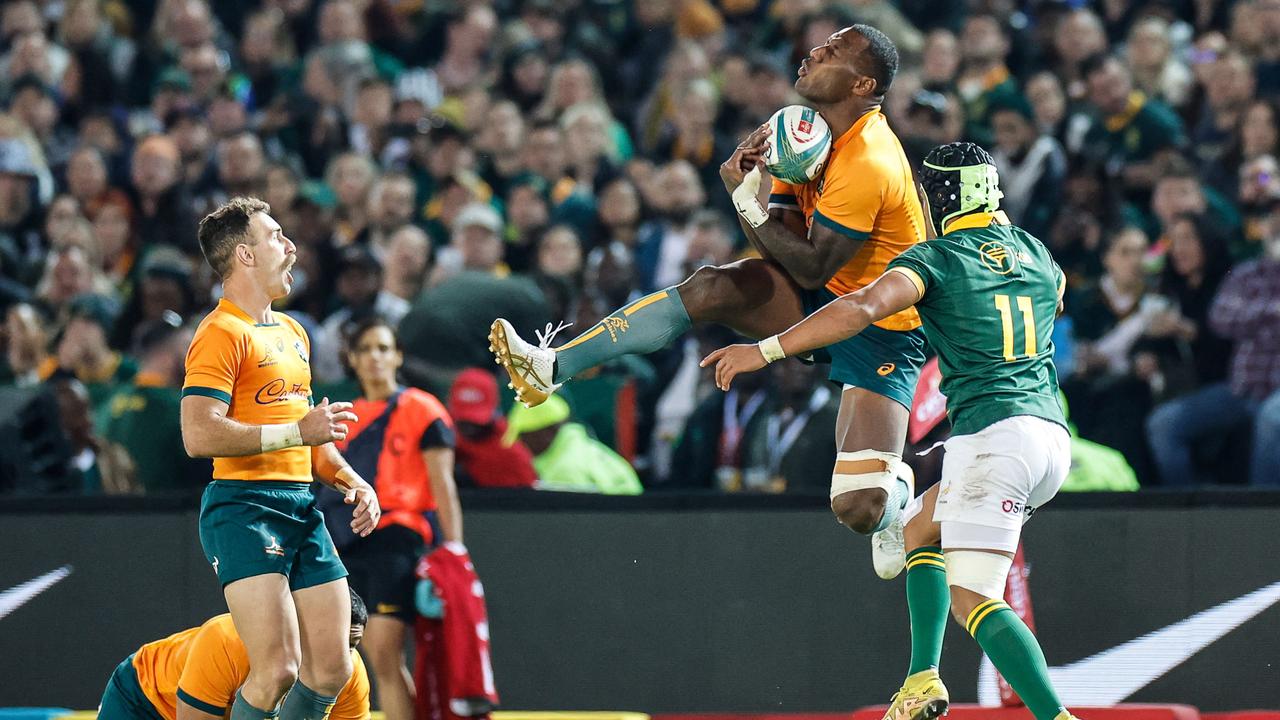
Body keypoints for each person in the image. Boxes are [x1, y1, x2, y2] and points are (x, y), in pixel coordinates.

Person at [491, 23, 926, 576]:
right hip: (823, 292)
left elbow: (812, 261)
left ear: (863, 84)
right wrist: (769, 191)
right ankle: (552, 365)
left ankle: (900, 491)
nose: (815, 51)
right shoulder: (801, 131)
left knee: (858, 509)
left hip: (885, 325)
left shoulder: (871, 159)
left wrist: (746, 202)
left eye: (833, 51)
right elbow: (790, 237)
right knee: (710, 285)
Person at [702, 143, 1081, 720]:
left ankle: (1059, 719)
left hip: (993, 439)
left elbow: (861, 308)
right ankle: (921, 679)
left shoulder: (936, 257)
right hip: (1050, 436)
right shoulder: (1037, 253)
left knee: (974, 597)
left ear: (940, 197)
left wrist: (766, 349)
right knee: (916, 535)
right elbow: (1052, 299)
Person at [180, 197, 381, 720]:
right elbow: (198, 433)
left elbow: (312, 442)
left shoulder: (294, 334)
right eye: (276, 237)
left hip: (300, 506)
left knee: (334, 668)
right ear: (245, 255)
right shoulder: (220, 332)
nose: (290, 246)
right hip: (244, 508)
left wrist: (352, 480)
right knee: (276, 671)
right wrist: (297, 429)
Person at [325, 317, 463, 720]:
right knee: (351, 658)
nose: (375, 358)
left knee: (384, 654)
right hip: (343, 542)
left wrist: (454, 551)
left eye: (384, 348)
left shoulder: (422, 408)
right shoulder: (343, 416)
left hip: (398, 539)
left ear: (398, 355)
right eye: (365, 349)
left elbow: (444, 486)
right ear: (351, 359)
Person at [97, 588, 371, 720]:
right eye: (332, 641)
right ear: (300, 627)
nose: (340, 656)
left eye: (351, 645)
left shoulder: (350, 677)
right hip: (144, 698)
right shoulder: (228, 639)